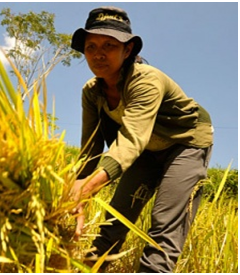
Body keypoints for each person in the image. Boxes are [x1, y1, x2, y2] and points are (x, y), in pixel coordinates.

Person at [67, 6, 214, 273]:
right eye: (91, 46)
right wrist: (77, 194)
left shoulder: (146, 80)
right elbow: (90, 148)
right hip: (146, 151)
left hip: (185, 144)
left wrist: (90, 186)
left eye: (110, 45)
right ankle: (86, 269)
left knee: (164, 223)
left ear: (128, 50)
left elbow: (132, 137)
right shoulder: (92, 92)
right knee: (116, 220)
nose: (98, 53)